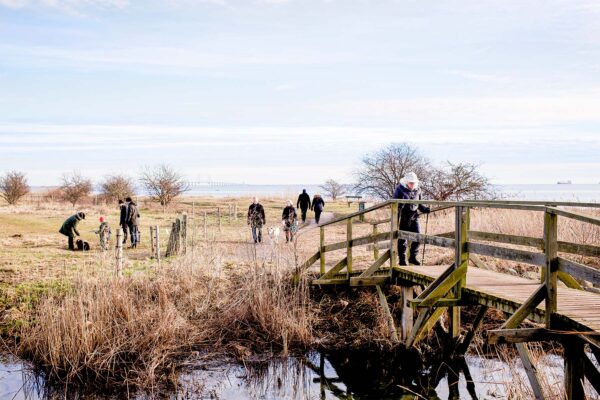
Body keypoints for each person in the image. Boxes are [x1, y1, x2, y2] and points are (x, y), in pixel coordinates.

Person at [393, 172, 430, 266]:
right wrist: (399, 206)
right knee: (402, 239)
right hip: (403, 217)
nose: (412, 184)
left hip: (414, 217)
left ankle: (413, 257)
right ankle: (402, 260)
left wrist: (425, 209)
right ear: (406, 181)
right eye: (410, 182)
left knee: (418, 237)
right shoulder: (400, 189)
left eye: (413, 182)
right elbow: (394, 203)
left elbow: (420, 204)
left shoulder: (418, 190)